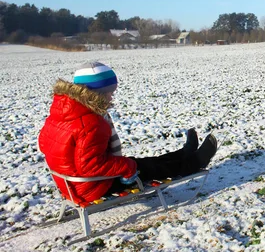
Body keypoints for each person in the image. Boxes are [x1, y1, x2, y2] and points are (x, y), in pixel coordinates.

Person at [38, 61, 218, 204]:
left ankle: (184, 153)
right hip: (92, 186)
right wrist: (127, 167)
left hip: (70, 182)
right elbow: (91, 166)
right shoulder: (91, 123)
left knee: (145, 163)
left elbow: (44, 143)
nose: (111, 97)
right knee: (148, 168)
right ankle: (194, 162)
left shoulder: (62, 112)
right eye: (109, 93)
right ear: (96, 94)